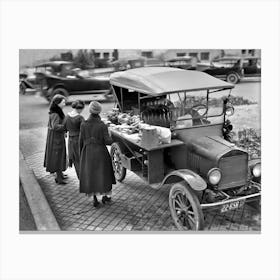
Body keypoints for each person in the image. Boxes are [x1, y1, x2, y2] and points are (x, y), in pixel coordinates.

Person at [79, 101, 116, 207]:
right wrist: (110, 134)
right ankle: (105, 196)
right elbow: (108, 141)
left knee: (92, 175)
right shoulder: (102, 125)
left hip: (87, 152)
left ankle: (95, 199)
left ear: (90, 111)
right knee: (103, 174)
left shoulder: (83, 124)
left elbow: (80, 141)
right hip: (100, 152)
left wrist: (81, 154)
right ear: (99, 111)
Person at [44, 94, 67, 184]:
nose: (65, 103)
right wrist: (65, 127)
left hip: (57, 137)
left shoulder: (57, 111)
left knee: (60, 155)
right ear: (58, 103)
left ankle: (60, 174)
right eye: (63, 102)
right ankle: (59, 178)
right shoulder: (55, 114)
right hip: (55, 138)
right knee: (57, 156)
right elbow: (55, 126)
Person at [64, 100, 85, 178]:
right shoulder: (80, 118)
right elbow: (84, 129)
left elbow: (64, 128)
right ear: (80, 108)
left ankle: (79, 176)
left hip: (70, 141)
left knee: (75, 159)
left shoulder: (67, 116)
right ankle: (83, 177)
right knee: (82, 158)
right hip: (79, 139)